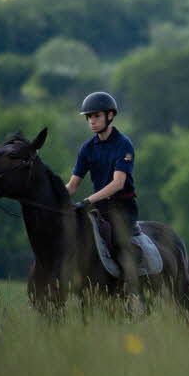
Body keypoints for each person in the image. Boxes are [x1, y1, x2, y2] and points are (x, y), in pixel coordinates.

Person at [66, 91, 141, 295]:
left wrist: (88, 200)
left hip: (123, 208)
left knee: (119, 242)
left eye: (96, 116)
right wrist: (52, 200)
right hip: (98, 208)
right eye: (89, 117)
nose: (92, 121)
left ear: (110, 116)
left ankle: (131, 293)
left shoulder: (124, 145)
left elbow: (118, 183)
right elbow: (72, 186)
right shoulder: (87, 148)